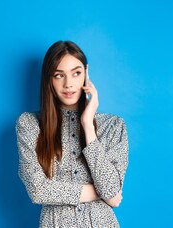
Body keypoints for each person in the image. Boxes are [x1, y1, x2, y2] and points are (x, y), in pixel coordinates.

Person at [15, 40, 129, 227]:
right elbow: (37, 190)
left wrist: (88, 126)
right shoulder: (29, 125)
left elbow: (111, 189)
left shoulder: (113, 125)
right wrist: (101, 193)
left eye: (76, 73)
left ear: (86, 72)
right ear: (49, 79)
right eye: (59, 75)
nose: (68, 84)